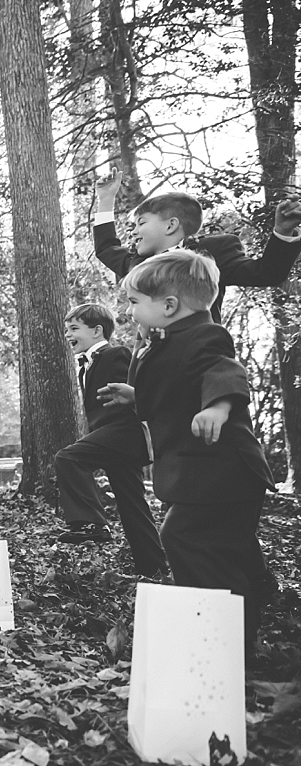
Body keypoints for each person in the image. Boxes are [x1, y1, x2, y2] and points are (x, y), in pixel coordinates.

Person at [99, 250, 275, 647]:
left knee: (185, 539)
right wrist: (135, 395)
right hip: (203, 474)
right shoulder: (166, 340)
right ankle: (240, 610)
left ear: (169, 305)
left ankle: (229, 642)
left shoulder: (204, 335)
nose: (129, 312)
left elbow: (223, 370)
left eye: (134, 302)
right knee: (219, 545)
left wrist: (218, 405)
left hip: (226, 470)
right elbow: (175, 392)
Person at [93, 171, 300, 324]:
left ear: (171, 225)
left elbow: (266, 273)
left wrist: (282, 232)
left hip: (201, 355)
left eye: (142, 223)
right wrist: (105, 199)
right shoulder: (138, 265)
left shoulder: (213, 252)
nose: (133, 231)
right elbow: (106, 248)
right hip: (156, 361)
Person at [54, 303, 166, 577]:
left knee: (68, 458)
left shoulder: (115, 354)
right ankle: (153, 568)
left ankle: (91, 523)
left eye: (74, 329)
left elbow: (132, 393)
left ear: (97, 331)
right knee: (133, 506)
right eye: (66, 329)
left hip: (122, 433)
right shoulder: (85, 363)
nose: (68, 334)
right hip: (111, 439)